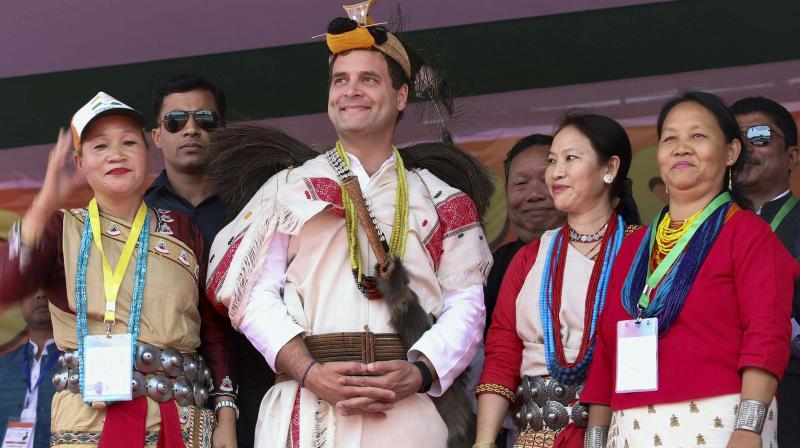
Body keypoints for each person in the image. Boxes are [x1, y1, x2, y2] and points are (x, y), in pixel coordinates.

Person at [205, 5, 492, 447]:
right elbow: (252, 296)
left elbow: (467, 304)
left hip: (407, 409)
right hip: (308, 402)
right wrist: (308, 370)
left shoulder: (440, 198)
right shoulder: (287, 190)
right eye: (341, 80)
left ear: (400, 97)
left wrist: (419, 372)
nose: (350, 91)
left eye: (368, 79)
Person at [0, 92, 238, 447]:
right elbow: (7, 287)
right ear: (79, 164)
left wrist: (227, 418)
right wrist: (42, 206)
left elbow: (214, 331)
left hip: (180, 422)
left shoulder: (184, 229)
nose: (116, 154)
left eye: (129, 142)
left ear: (147, 154)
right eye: (100, 147)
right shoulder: (59, 230)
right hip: (87, 426)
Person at [581, 91, 800, 448]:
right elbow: (607, 353)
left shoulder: (748, 233)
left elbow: (767, 334)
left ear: (731, 152)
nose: (681, 148)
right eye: (670, 138)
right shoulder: (634, 248)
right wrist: (595, 440)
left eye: (697, 136)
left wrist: (748, 429)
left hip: (719, 424)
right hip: (629, 431)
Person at [475, 114, 641, 448]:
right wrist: (484, 441)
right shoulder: (530, 258)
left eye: (570, 158)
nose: (556, 172)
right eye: (553, 160)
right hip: (537, 437)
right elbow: (503, 351)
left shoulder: (643, 251)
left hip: (622, 433)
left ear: (609, 168)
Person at [145, 74, 272, 448]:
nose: (191, 130)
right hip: (169, 380)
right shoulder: (140, 214)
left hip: (256, 373)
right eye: (175, 122)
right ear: (157, 136)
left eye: (205, 120)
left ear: (223, 130)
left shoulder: (258, 204)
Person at [731, 95, 800, 447]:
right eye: (734, 138)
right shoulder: (702, 232)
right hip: (717, 401)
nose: (745, 148)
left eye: (758, 136)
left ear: (792, 157)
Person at [484, 134, 565, 333]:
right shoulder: (491, 268)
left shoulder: (602, 255)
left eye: (547, 179)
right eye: (521, 183)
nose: (534, 195)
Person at [0, 288, 61, 448]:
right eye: (31, 290)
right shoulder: (3, 366)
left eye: (47, 287)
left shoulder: (76, 362)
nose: (40, 294)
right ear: (20, 304)